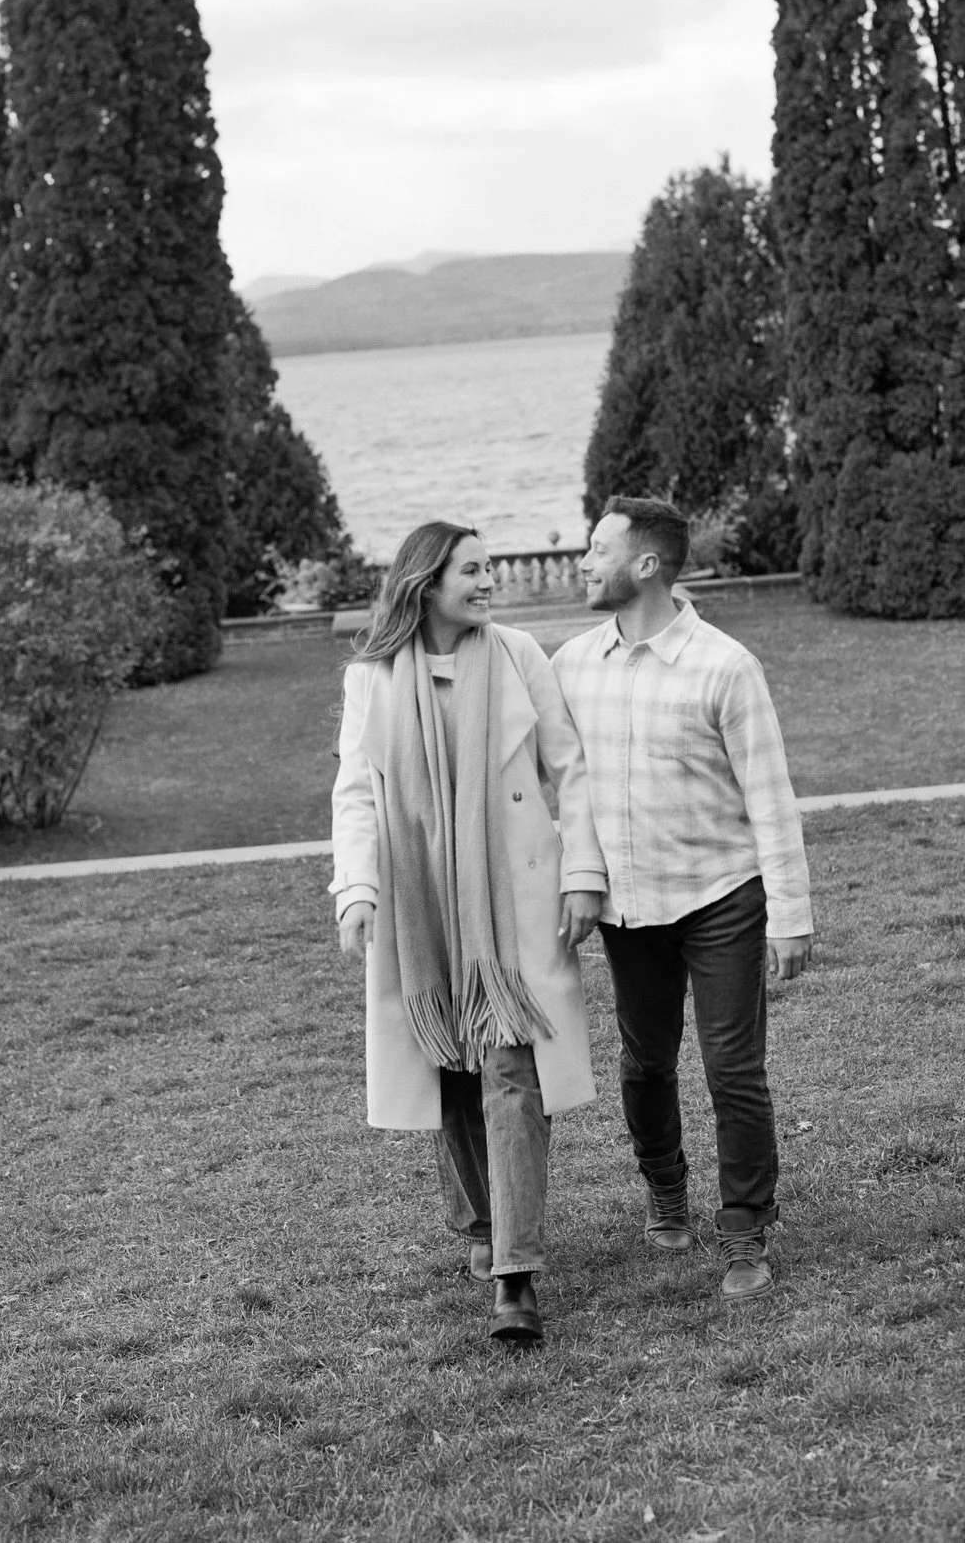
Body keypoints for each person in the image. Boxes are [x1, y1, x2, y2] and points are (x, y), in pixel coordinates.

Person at [330, 520, 606, 1345]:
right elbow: (357, 793)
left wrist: (582, 873)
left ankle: (516, 1276)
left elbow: (569, 769)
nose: (490, 583)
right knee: (451, 1068)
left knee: (511, 1068)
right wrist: (357, 891)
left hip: (512, 901)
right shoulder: (373, 677)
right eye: (474, 571)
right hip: (422, 904)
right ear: (427, 584)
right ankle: (482, 1223)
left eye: (490, 569)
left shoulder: (517, 654)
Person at [551, 495, 812, 1303]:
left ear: (646, 564)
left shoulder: (725, 665)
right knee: (644, 1064)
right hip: (627, 908)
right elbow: (553, 782)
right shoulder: (570, 665)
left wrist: (791, 915)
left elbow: (770, 796)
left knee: (734, 1069)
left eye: (599, 549)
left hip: (722, 894)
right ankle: (666, 1192)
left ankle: (745, 1230)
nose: (584, 561)